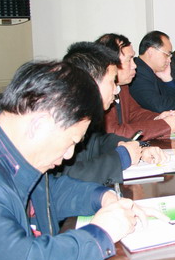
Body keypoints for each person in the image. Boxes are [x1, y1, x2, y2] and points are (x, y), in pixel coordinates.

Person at [0, 61, 155, 260]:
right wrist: (102, 233)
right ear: (39, 124)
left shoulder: (7, 146)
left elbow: (50, 190)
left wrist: (103, 197)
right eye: (71, 141)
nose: (69, 155)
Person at [61, 42, 167, 186]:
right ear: (92, 82)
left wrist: (139, 148)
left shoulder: (86, 113)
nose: (116, 90)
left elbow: (100, 141)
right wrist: (122, 157)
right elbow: (69, 176)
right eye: (112, 82)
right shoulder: (62, 118)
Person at [96, 33, 175, 140]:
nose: (134, 65)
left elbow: (135, 113)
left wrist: (158, 118)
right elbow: (114, 133)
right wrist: (163, 125)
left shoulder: (122, 87)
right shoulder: (99, 92)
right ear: (111, 62)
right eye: (129, 60)